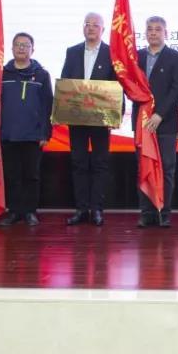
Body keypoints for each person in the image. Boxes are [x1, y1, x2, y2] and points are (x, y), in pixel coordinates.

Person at [60, 12, 119, 227]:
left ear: (103, 29)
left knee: (100, 163)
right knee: (79, 163)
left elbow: (117, 86)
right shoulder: (73, 52)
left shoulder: (111, 53)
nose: (91, 28)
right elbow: (65, 82)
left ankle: (97, 210)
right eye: (87, 24)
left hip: (102, 118)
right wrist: (62, 110)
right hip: (76, 117)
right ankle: (81, 209)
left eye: (95, 25)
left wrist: (116, 115)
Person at [0, 33, 53, 227]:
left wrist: (45, 133)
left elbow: (48, 106)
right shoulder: (2, 74)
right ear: (11, 48)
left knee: (31, 176)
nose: (21, 48)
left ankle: (30, 211)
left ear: (32, 50)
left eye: (25, 45)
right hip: (8, 134)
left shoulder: (42, 74)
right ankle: (14, 211)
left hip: (33, 135)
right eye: (18, 45)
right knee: (12, 175)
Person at [134, 16, 178, 228]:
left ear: (166, 33)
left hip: (166, 123)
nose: (153, 33)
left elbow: (177, 89)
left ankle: (163, 212)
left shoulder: (176, 58)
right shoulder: (136, 57)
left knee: (166, 168)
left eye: (158, 29)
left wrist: (160, 114)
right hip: (142, 122)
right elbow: (129, 85)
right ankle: (146, 213)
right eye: (150, 29)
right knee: (144, 167)